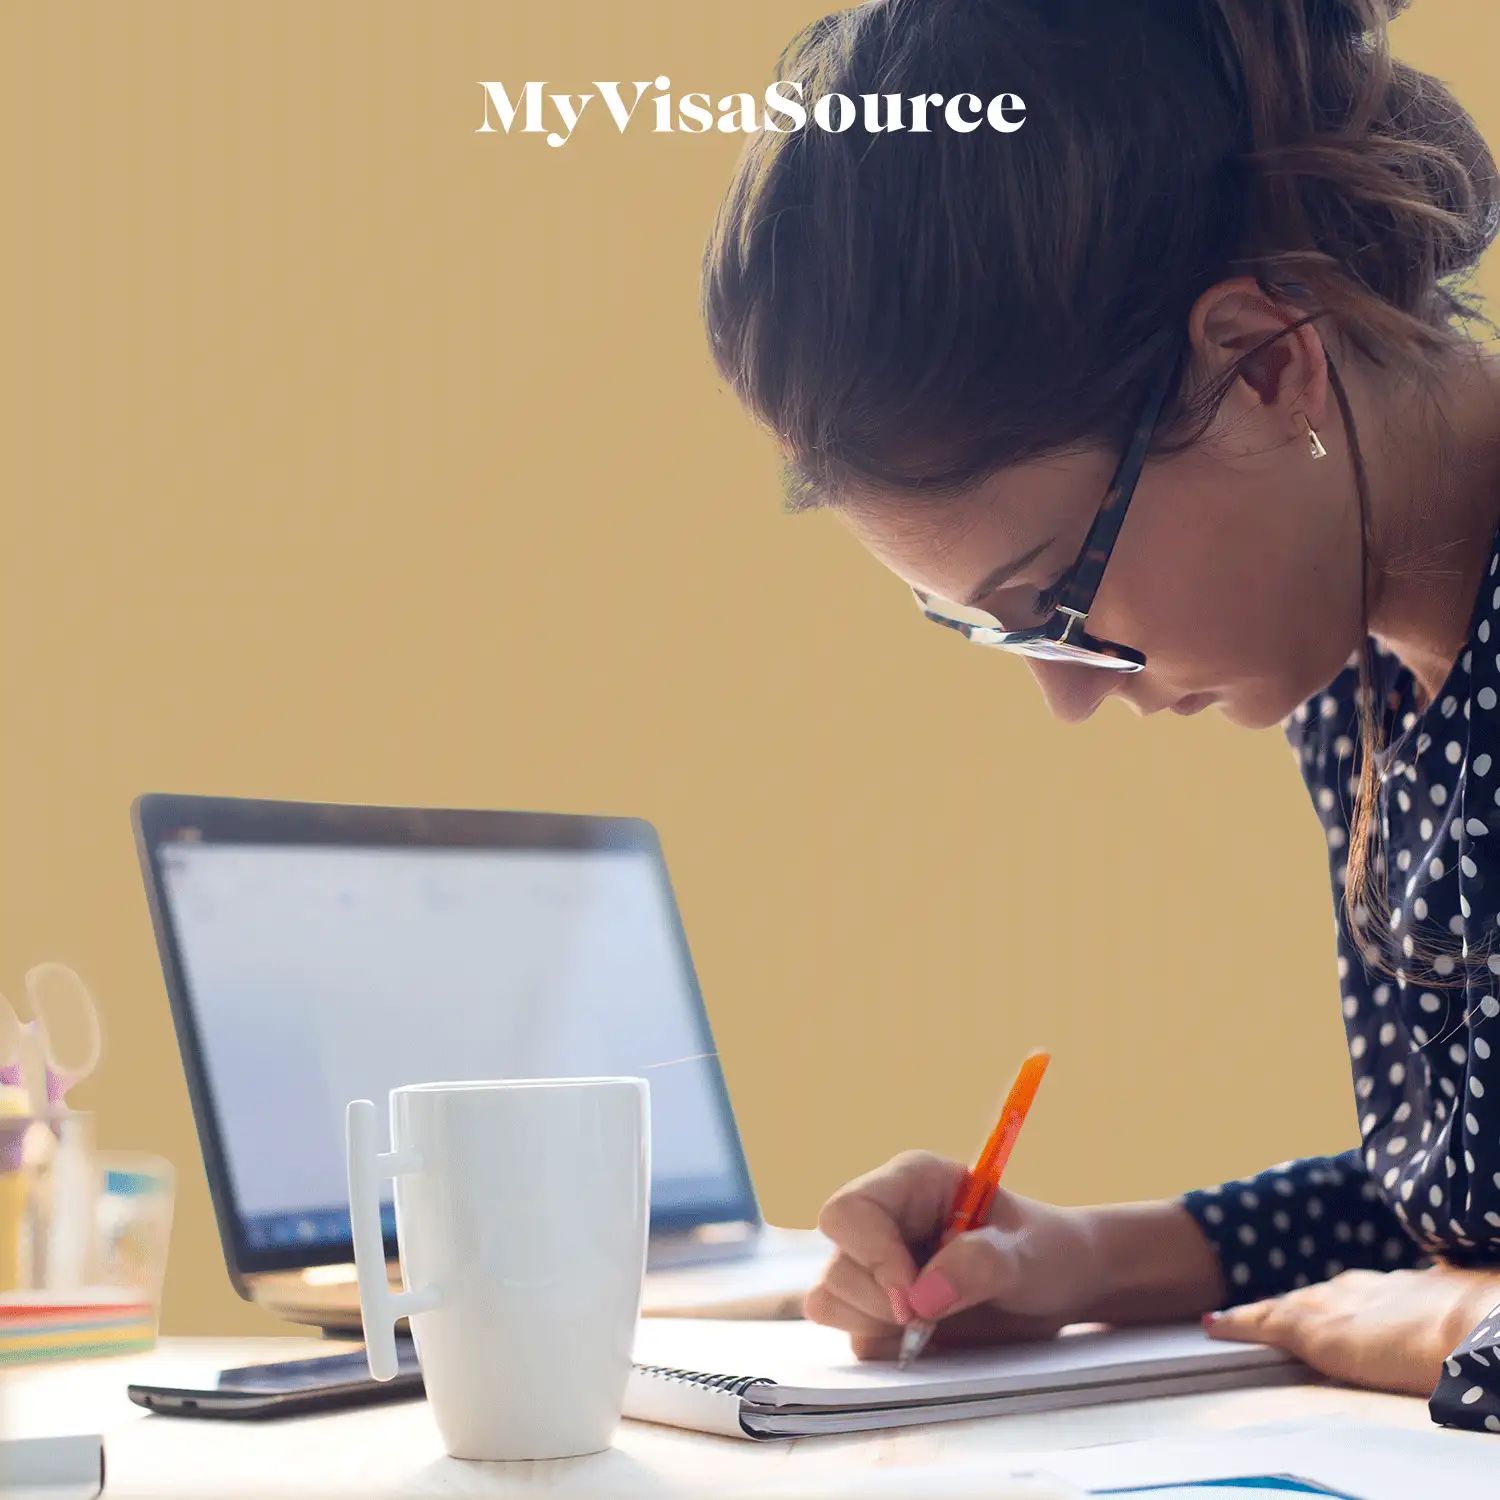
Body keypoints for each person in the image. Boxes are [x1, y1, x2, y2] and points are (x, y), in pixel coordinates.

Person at [700, 0, 1500, 1432]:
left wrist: (1467, 1320)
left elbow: (1457, 1278)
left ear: (1264, 365)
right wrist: (1073, 1258)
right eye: (992, 628)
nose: (1066, 691)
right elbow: (1456, 1187)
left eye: (1057, 594)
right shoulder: (1365, 676)